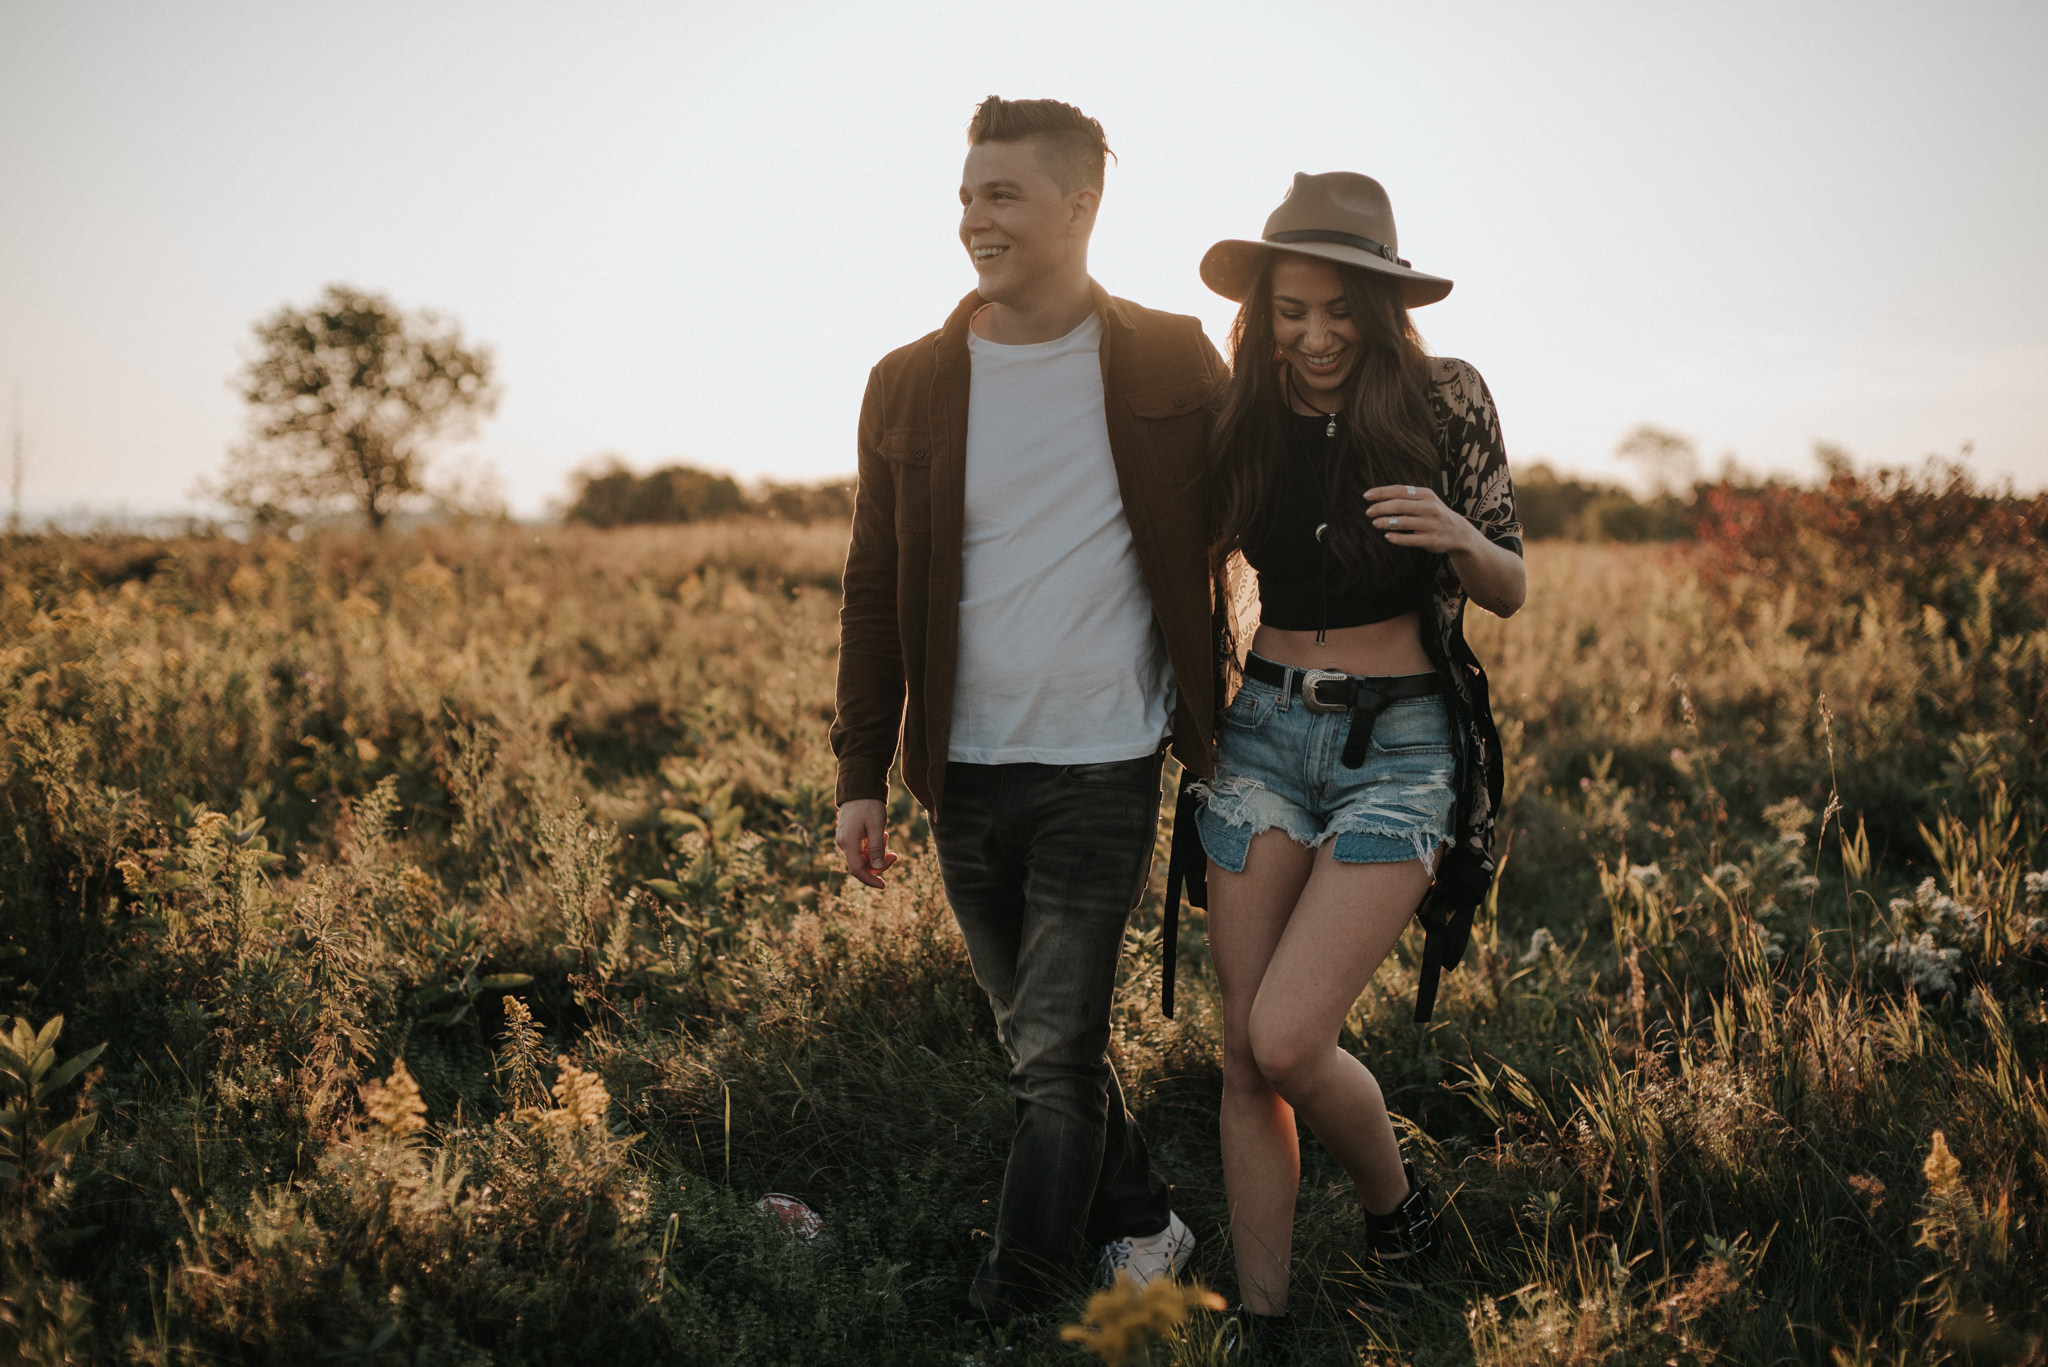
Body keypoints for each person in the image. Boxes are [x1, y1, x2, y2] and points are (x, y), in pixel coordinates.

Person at [830, 96, 1225, 1328]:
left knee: (1052, 1058)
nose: (972, 222)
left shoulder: (1170, 357)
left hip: (1104, 764)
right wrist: (859, 771)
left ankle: (1010, 1305)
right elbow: (872, 587)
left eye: (999, 195)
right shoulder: (907, 383)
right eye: (963, 196)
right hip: (963, 773)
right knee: (1041, 1047)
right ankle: (1148, 1219)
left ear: (1077, 207)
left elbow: (1256, 513)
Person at [1192, 172, 1526, 1346]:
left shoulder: (1443, 397)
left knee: (1287, 1036)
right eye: (1291, 310)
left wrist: (1458, 533)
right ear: (1263, 310)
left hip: (1402, 741)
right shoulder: (1236, 406)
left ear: (1381, 307)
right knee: (1244, 1053)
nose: (1315, 335)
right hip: (1265, 734)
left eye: (1339, 310)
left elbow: (1512, 584)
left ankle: (1397, 1206)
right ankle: (1264, 1319)